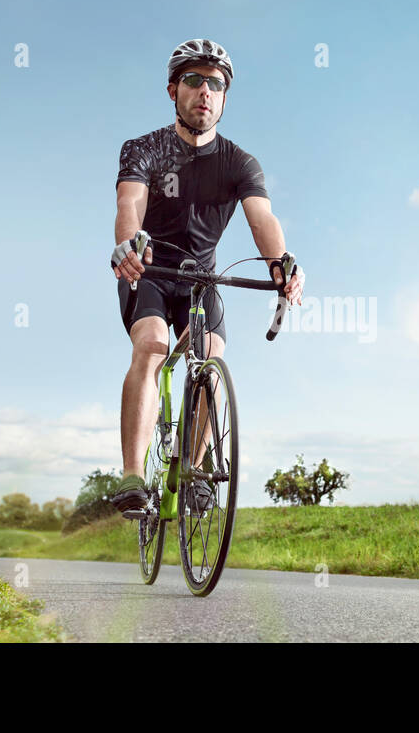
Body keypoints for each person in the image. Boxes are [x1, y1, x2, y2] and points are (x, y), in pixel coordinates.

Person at [108, 38, 303, 512]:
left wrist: (280, 260)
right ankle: (133, 478)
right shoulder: (144, 149)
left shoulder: (239, 162)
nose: (205, 91)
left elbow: (262, 219)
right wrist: (130, 243)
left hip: (203, 279)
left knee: (212, 363)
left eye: (215, 84)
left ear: (224, 97)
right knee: (152, 345)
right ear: (173, 90)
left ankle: (195, 471)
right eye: (193, 80)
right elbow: (129, 204)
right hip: (149, 269)